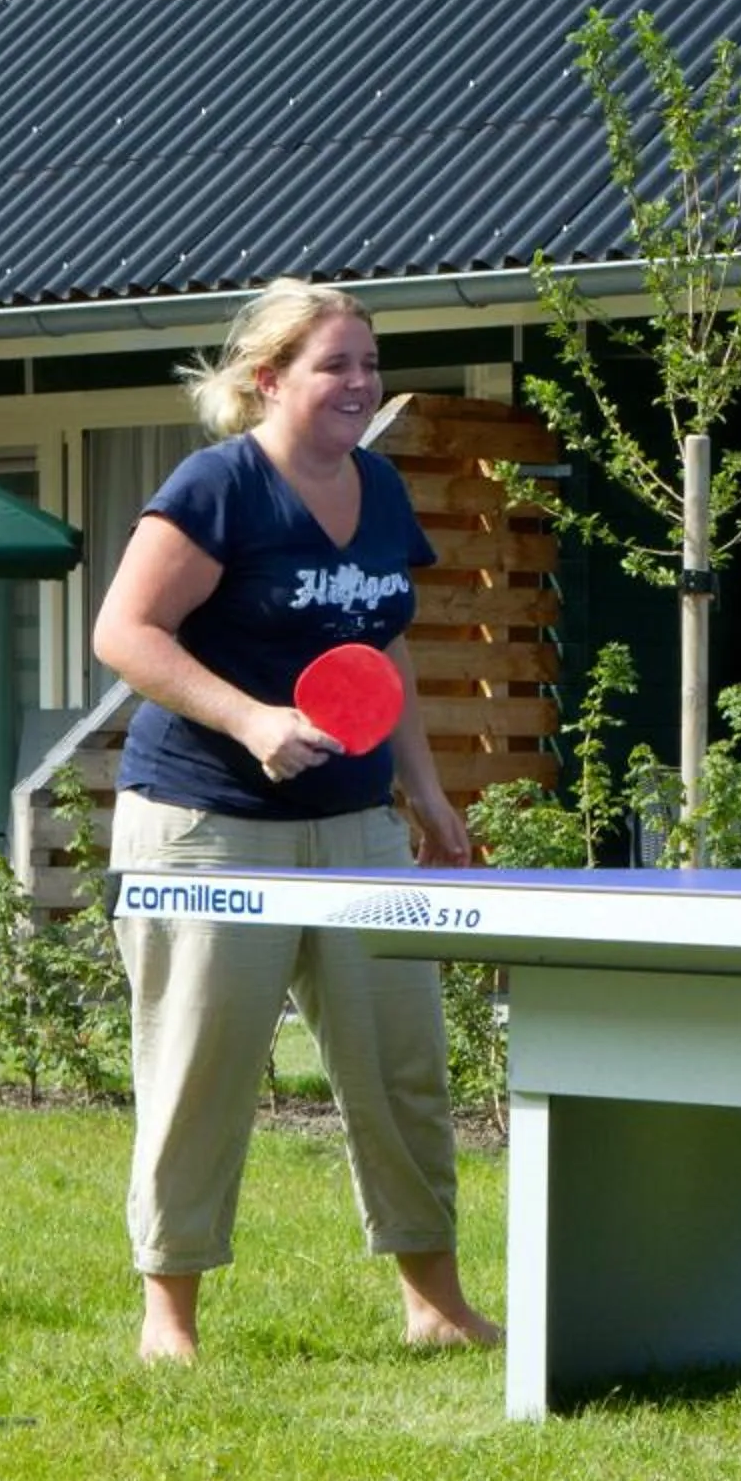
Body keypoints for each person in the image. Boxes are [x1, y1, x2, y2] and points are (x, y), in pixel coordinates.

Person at [93, 277, 501, 1364]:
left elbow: (387, 645)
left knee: (403, 1062)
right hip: (207, 819)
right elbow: (125, 633)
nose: (359, 384)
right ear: (268, 377)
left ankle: (435, 1300)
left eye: (368, 364)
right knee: (200, 1069)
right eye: (335, 365)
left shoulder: (377, 485)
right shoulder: (216, 487)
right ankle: (168, 1318)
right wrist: (251, 719)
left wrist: (425, 791)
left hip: (354, 822)